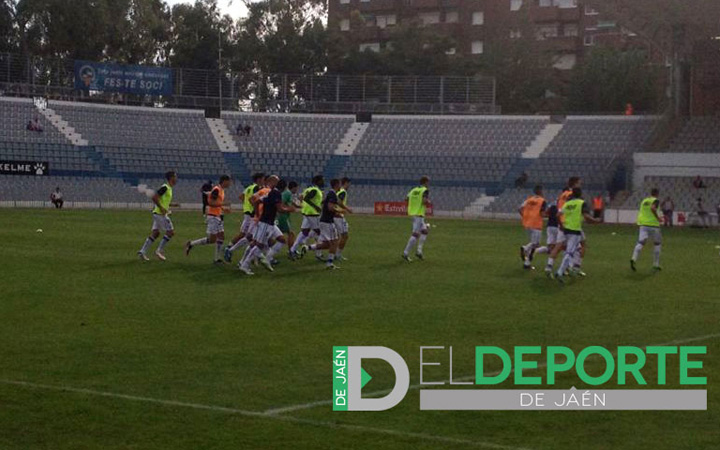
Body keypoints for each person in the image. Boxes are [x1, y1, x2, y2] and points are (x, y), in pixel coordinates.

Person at [238, 175, 296, 276]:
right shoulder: (276, 194)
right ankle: (245, 265)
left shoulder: (271, 192)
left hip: (270, 222)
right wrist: (289, 209)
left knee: (282, 240)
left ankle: (267, 259)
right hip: (266, 222)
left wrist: (257, 214)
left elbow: (257, 201)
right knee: (258, 245)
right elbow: (280, 209)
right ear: (284, 188)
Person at [553, 188, 602, 283]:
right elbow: (587, 217)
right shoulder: (581, 203)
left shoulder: (567, 203)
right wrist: (596, 221)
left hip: (566, 229)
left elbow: (557, 215)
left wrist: (561, 225)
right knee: (569, 252)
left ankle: (571, 268)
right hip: (575, 230)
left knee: (573, 250)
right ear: (580, 194)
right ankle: (560, 271)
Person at [185, 175, 233, 263]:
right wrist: (221, 206)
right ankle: (191, 244)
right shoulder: (217, 189)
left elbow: (216, 203)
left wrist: (222, 208)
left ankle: (217, 259)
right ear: (224, 181)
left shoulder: (221, 190)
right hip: (213, 216)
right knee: (212, 240)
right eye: (229, 181)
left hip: (218, 216)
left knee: (221, 237)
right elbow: (210, 202)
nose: (230, 183)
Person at [137, 171, 178, 262]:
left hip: (157, 213)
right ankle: (159, 251)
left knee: (156, 233)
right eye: (175, 177)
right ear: (171, 178)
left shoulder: (169, 188)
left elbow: (162, 200)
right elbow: (155, 197)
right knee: (170, 232)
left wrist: (171, 204)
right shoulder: (165, 187)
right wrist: (162, 208)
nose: (176, 178)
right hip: (160, 214)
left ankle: (142, 251)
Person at [225, 173, 264, 262]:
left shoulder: (249, 188)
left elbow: (241, 197)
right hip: (252, 214)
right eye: (263, 179)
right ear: (259, 180)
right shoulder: (256, 188)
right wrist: (253, 206)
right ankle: (234, 251)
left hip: (248, 213)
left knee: (246, 235)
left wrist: (246, 204)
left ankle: (231, 249)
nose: (264, 180)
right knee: (249, 236)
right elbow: (254, 200)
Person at [306, 179, 343, 270]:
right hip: (328, 222)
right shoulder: (332, 194)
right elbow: (330, 208)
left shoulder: (329, 194)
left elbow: (324, 205)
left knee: (327, 244)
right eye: (339, 184)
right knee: (335, 241)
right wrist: (339, 211)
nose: (340, 187)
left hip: (323, 221)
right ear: (336, 185)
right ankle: (329, 263)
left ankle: (308, 247)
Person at [289, 175, 324, 260]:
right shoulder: (315, 190)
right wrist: (316, 207)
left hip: (307, 213)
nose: (323, 182)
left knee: (304, 232)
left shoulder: (309, 189)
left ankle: (292, 250)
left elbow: (302, 197)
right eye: (322, 180)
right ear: (318, 181)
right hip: (312, 213)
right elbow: (307, 199)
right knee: (319, 232)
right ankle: (318, 255)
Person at [631, 188, 662, 272]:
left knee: (641, 242)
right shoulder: (656, 200)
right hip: (654, 225)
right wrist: (658, 218)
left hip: (643, 224)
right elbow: (653, 208)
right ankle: (655, 264)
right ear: (657, 193)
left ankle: (633, 258)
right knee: (657, 244)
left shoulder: (644, 201)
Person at [519, 185, 548, 270]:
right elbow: (542, 214)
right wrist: (549, 216)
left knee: (534, 244)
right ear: (540, 191)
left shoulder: (528, 200)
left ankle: (527, 263)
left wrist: (525, 216)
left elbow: (519, 208)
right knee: (535, 244)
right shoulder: (542, 201)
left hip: (527, 224)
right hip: (536, 224)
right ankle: (525, 248)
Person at [402, 176, 431, 262]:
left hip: (413, 213)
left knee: (425, 231)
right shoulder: (425, 190)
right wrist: (428, 202)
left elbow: (406, 199)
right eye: (428, 182)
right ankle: (405, 253)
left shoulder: (413, 190)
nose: (428, 184)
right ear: (425, 182)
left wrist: (413, 205)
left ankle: (419, 251)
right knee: (415, 234)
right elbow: (424, 201)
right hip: (418, 214)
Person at [277, 180, 300, 251]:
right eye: (297, 188)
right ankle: (291, 251)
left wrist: (299, 207)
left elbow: (293, 203)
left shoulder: (287, 193)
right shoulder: (287, 193)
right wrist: (289, 209)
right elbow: (281, 203)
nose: (297, 190)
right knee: (291, 233)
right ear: (294, 187)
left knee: (277, 235)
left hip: (283, 216)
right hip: (283, 216)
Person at [335, 177, 353, 261]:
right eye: (349, 183)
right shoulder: (343, 192)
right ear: (346, 183)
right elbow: (339, 202)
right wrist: (347, 209)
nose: (349, 185)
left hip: (335, 215)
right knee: (345, 236)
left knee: (336, 237)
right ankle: (337, 255)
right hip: (338, 217)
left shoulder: (339, 191)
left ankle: (319, 252)